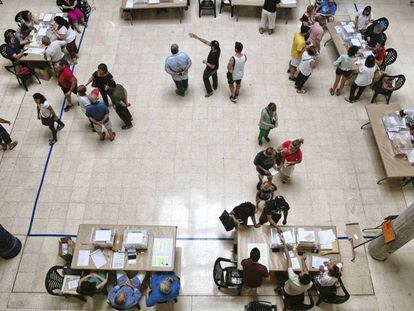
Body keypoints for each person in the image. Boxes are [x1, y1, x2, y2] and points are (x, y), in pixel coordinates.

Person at [278, 239, 313, 305]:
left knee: (279, 274)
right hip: (298, 292)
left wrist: (284, 243)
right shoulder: (309, 284)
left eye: (302, 273)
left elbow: (288, 259)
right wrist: (303, 260)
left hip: (288, 291)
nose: (302, 271)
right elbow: (306, 273)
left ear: (299, 278)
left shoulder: (292, 278)